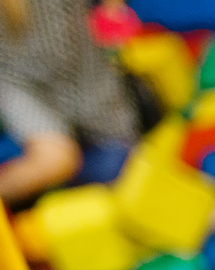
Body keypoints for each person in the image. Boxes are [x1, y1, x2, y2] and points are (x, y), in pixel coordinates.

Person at [0, 0, 138, 205]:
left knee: (120, 166)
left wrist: (112, 11)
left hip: (87, 80)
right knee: (57, 160)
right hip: (21, 83)